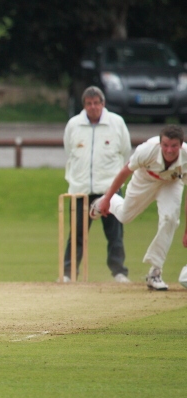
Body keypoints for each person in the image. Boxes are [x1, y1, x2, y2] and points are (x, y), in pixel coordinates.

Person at [92, 125, 187, 291]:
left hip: (171, 182)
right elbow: (124, 172)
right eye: (165, 145)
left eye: (173, 146)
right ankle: (108, 201)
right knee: (124, 216)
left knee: (170, 219)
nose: (169, 150)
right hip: (145, 179)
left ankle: (155, 272)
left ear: (181, 144)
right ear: (160, 143)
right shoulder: (147, 150)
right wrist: (107, 198)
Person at [62, 86, 131, 283]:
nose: (93, 107)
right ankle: (69, 273)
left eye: (96, 103)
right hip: (80, 190)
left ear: (103, 104)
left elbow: (125, 153)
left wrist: (114, 184)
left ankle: (119, 272)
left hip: (108, 190)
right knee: (76, 233)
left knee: (115, 233)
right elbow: (69, 151)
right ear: (84, 105)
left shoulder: (116, 123)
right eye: (89, 104)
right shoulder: (74, 124)